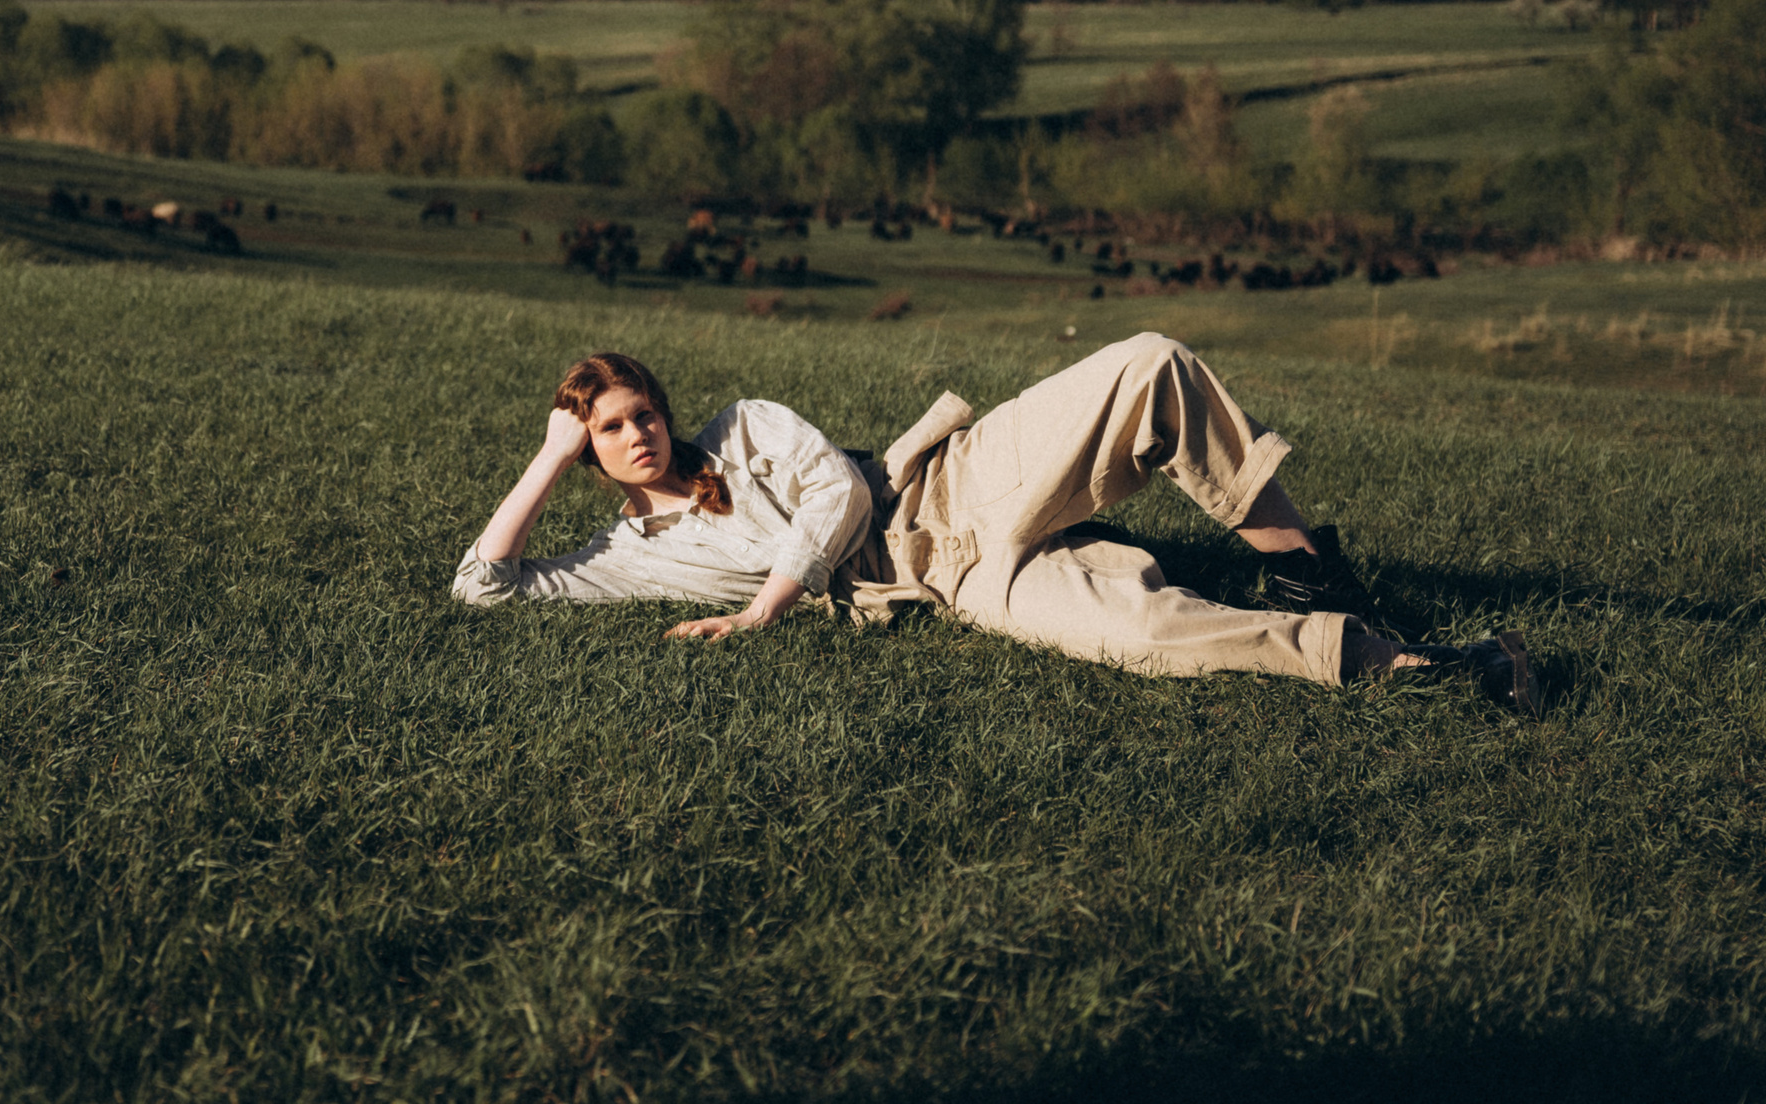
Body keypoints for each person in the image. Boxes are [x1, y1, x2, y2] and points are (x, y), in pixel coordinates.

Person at [452, 334, 1537, 713]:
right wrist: (547, 454)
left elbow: (838, 497)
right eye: (608, 430)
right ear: (591, 449)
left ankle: (1311, 576)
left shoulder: (747, 426)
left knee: (1148, 364)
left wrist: (767, 609)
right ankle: (1410, 662)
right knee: (1147, 641)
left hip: (947, 490)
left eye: (641, 413)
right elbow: (484, 589)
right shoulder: (632, 554)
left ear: (668, 409)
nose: (634, 436)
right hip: (943, 581)